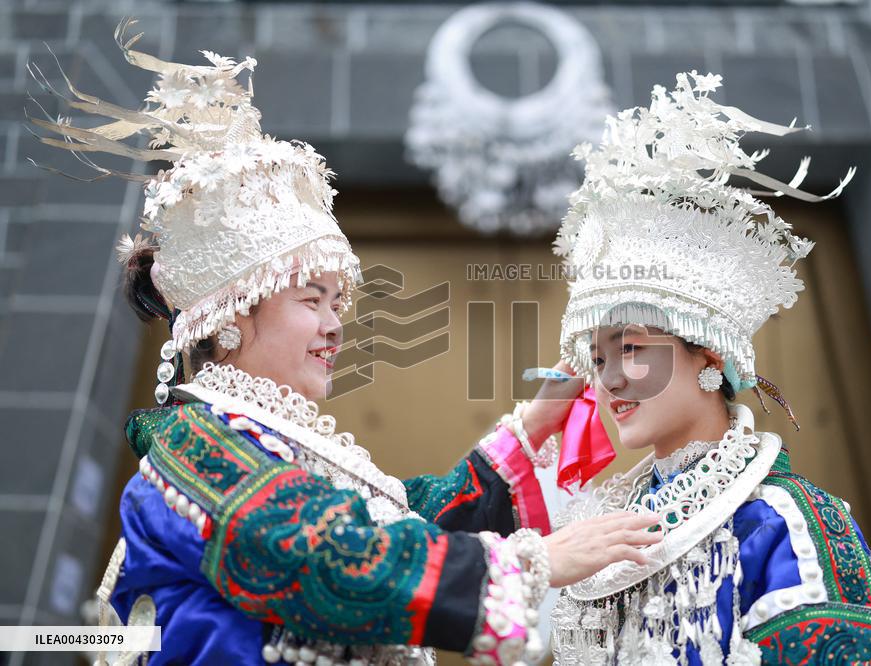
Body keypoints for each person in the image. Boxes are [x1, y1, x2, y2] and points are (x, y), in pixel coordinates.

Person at [30, 22, 660, 665]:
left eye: (339, 302)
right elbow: (326, 558)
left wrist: (529, 428)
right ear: (230, 317)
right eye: (311, 301)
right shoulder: (197, 447)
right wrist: (535, 561)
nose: (336, 324)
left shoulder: (262, 440)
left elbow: (396, 528)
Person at [545, 73, 871, 664]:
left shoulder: (786, 524)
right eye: (599, 358)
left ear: (709, 356)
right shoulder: (600, 525)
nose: (606, 380)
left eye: (631, 349)